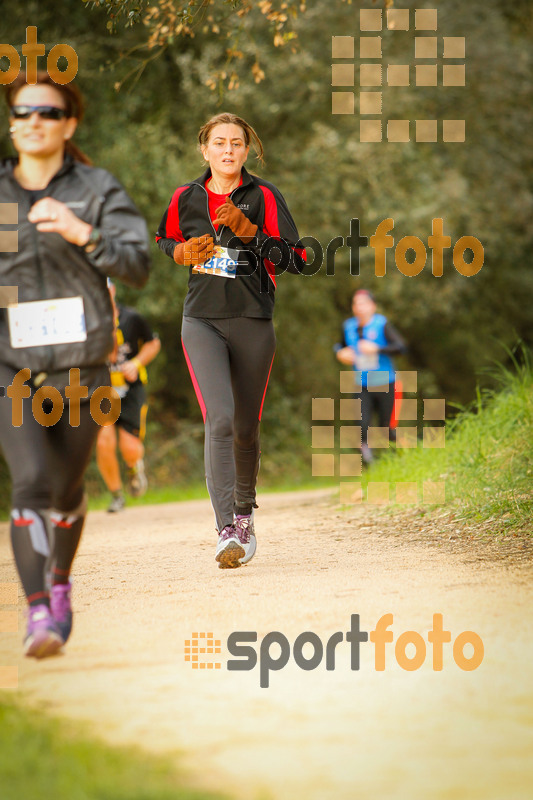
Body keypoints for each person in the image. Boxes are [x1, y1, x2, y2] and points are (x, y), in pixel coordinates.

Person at [0, 73, 150, 658]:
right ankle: (39, 613)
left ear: (69, 124)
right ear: (13, 123)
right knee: (32, 481)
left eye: (47, 111)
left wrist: (83, 232)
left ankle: (59, 584)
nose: (33, 119)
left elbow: (137, 263)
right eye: (22, 111)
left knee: (65, 489)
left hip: (83, 367)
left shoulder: (96, 188)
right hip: (10, 366)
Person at [156, 112, 306, 569]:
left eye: (236, 143)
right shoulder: (186, 197)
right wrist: (180, 251)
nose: (227, 150)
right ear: (204, 150)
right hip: (201, 320)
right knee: (218, 418)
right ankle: (226, 531)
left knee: (245, 427)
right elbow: (164, 238)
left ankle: (245, 516)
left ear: (246, 150)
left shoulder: (263, 196)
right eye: (218, 142)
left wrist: (249, 232)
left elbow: (298, 260)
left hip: (253, 322)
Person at [96, 281, 161, 512]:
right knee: (104, 441)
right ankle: (116, 495)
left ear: (112, 290)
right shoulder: (84, 323)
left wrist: (135, 363)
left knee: (129, 447)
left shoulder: (132, 318)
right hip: (101, 390)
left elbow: (154, 343)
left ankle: (134, 467)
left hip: (131, 389)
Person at [335, 289, 406, 463]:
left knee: (386, 430)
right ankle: (369, 465)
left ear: (372, 306)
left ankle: (402, 459)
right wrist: (340, 353)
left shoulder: (381, 324)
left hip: (386, 384)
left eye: (363, 303)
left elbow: (401, 347)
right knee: (362, 427)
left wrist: (377, 348)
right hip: (362, 384)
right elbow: (339, 345)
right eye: (356, 303)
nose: (359, 307)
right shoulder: (348, 327)